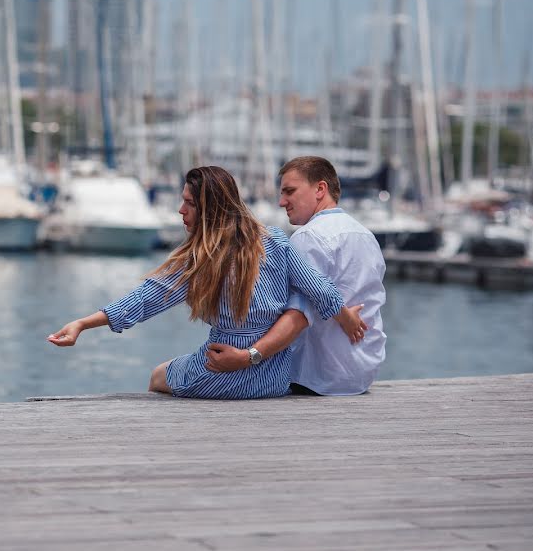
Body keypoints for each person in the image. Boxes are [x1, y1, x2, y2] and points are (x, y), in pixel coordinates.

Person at [47, 166, 364, 399]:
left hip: (220, 370)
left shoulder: (198, 260)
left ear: (210, 209)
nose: (180, 210)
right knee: (177, 364)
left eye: (189, 203)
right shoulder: (276, 242)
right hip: (274, 376)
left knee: (158, 375)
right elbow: (319, 288)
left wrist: (81, 324)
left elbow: (143, 301)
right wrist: (347, 317)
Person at [277, 156, 387, 395]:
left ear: (320, 189)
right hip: (362, 374)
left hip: (318, 376)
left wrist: (249, 356)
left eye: (290, 191)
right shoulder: (366, 235)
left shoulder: (308, 237)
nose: (281, 201)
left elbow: (297, 316)